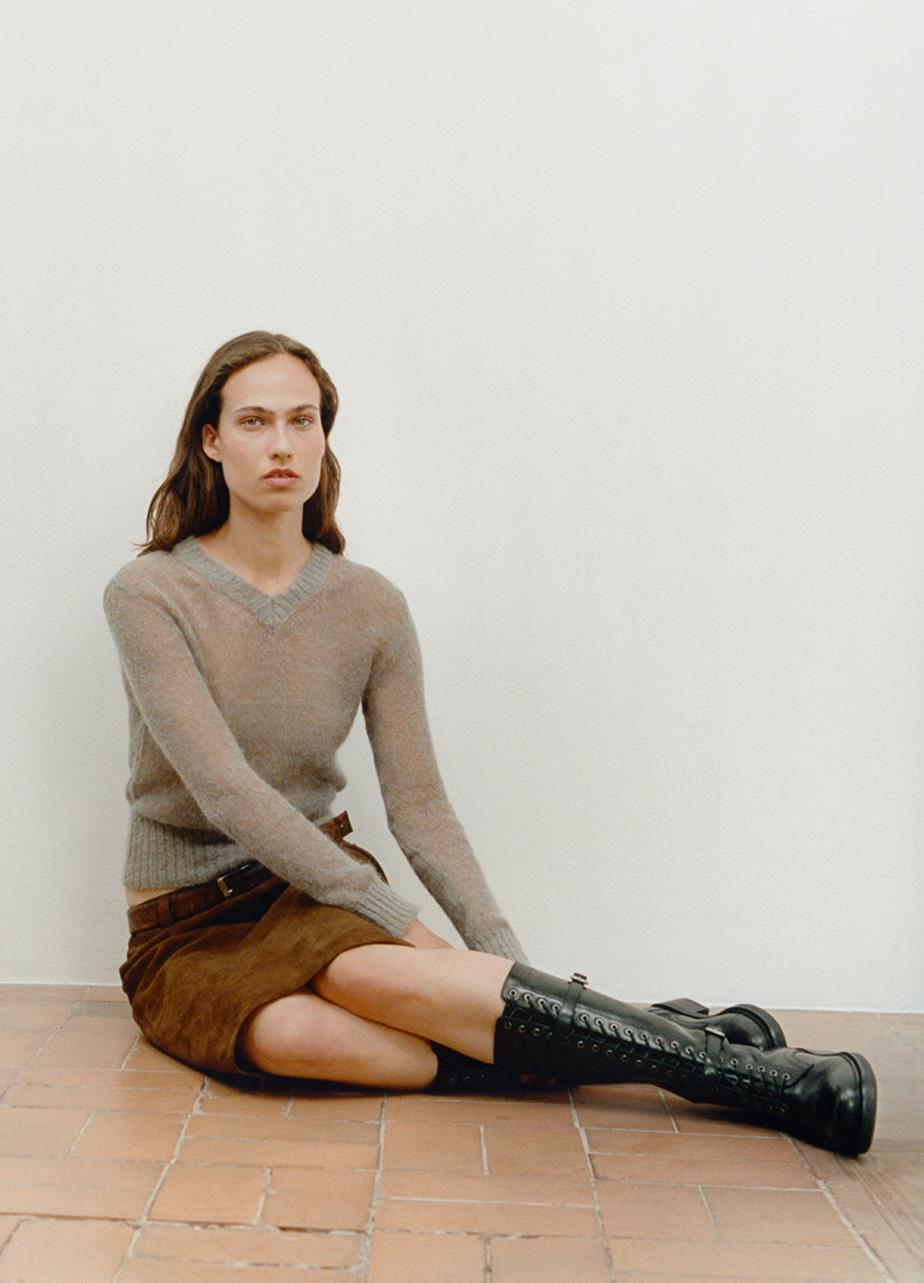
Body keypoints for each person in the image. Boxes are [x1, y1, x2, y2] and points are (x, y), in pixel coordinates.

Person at [102, 330, 877, 1157]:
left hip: (312, 894)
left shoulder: (370, 605)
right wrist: (394, 917)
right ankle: (655, 1029)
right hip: (186, 926)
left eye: (303, 419)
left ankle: (763, 1079)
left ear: (327, 437)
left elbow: (421, 807)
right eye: (254, 421)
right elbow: (225, 789)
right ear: (211, 440)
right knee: (327, 1043)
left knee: (364, 975)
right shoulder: (150, 592)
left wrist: (506, 965)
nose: (283, 443)